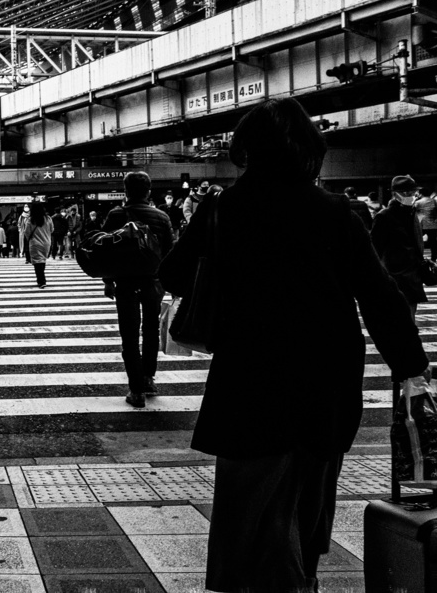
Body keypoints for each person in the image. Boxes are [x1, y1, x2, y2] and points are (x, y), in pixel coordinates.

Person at [158, 98, 430, 592]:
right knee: (309, 495)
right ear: (308, 150)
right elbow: (379, 295)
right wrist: (411, 366)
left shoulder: (224, 209)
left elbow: (172, 272)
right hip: (323, 375)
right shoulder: (335, 212)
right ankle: (299, 577)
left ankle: (254, 576)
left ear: (248, 150)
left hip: (249, 374)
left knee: (249, 497)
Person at [100, 172, 173, 408]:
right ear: (148, 191)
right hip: (153, 282)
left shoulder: (116, 215)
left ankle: (136, 391)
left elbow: (106, 250)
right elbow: (169, 253)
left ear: (126, 190)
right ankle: (148, 378)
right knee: (151, 330)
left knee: (129, 335)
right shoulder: (162, 217)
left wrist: (108, 281)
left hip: (126, 282)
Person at [372, 175, 428, 319]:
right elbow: (375, 248)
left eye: (412, 192)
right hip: (395, 273)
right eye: (405, 193)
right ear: (394, 193)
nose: (410, 195)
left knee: (410, 316)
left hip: (412, 272)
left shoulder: (411, 213)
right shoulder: (384, 216)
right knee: (399, 316)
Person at [24, 202, 54, 288]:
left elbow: (27, 233)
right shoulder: (48, 219)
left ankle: (41, 281)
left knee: (37, 263)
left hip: (35, 243)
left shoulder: (30, 220)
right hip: (46, 243)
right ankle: (41, 279)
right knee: (42, 260)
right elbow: (52, 230)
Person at [415, 186, 437, 261]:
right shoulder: (433, 201)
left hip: (422, 225)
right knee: (433, 243)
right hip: (433, 225)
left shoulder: (418, 202)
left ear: (421, 194)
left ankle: (419, 258)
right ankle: (434, 258)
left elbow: (413, 212)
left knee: (418, 242)